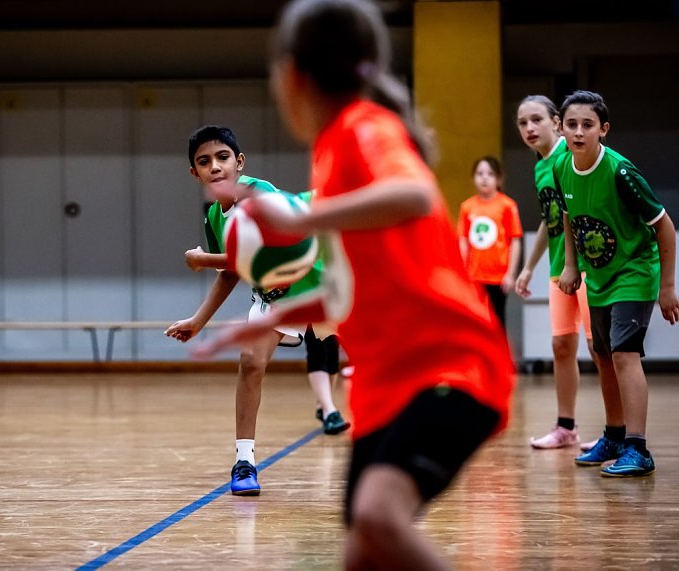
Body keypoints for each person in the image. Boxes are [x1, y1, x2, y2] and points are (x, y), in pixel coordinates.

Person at [192, 0, 515, 568]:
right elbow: (347, 283)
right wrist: (272, 318)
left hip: (448, 367)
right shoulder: (331, 153)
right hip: (387, 387)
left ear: (290, 77)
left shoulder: (363, 128)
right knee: (363, 549)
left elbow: (414, 195)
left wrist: (299, 219)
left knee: (376, 518)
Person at [165, 125, 349, 497]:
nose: (215, 167)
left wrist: (201, 260)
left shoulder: (260, 194)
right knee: (250, 362)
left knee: (369, 359)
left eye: (222, 157)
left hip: (318, 284)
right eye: (204, 162)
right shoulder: (215, 217)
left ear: (239, 161)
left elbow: (259, 256)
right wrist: (198, 321)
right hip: (276, 297)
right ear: (194, 173)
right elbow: (233, 271)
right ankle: (244, 461)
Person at [556, 90, 678, 477]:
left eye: (587, 125)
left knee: (625, 355)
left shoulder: (621, 172)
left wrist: (668, 287)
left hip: (635, 271)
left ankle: (638, 448)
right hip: (600, 277)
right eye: (571, 124)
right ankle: (613, 434)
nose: (578, 132)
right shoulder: (562, 166)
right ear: (562, 128)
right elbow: (568, 218)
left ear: (603, 130)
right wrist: (572, 266)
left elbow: (665, 226)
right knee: (604, 357)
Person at [513, 95, 598, 451]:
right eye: (522, 123)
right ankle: (566, 427)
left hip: (589, 267)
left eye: (537, 120)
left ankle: (619, 432)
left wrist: (574, 264)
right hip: (557, 268)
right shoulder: (540, 166)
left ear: (556, 122)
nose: (530, 128)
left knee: (601, 349)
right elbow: (550, 220)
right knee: (562, 346)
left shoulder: (572, 156)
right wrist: (528, 267)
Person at [458, 156, 523, 328]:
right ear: (474, 178)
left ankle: (499, 354)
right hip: (474, 275)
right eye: (480, 173)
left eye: (490, 174)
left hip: (498, 277)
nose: (484, 178)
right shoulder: (467, 207)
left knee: (498, 320)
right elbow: (463, 240)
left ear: (499, 178)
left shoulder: (507, 205)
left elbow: (515, 240)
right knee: (474, 319)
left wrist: (510, 273)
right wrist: (462, 271)